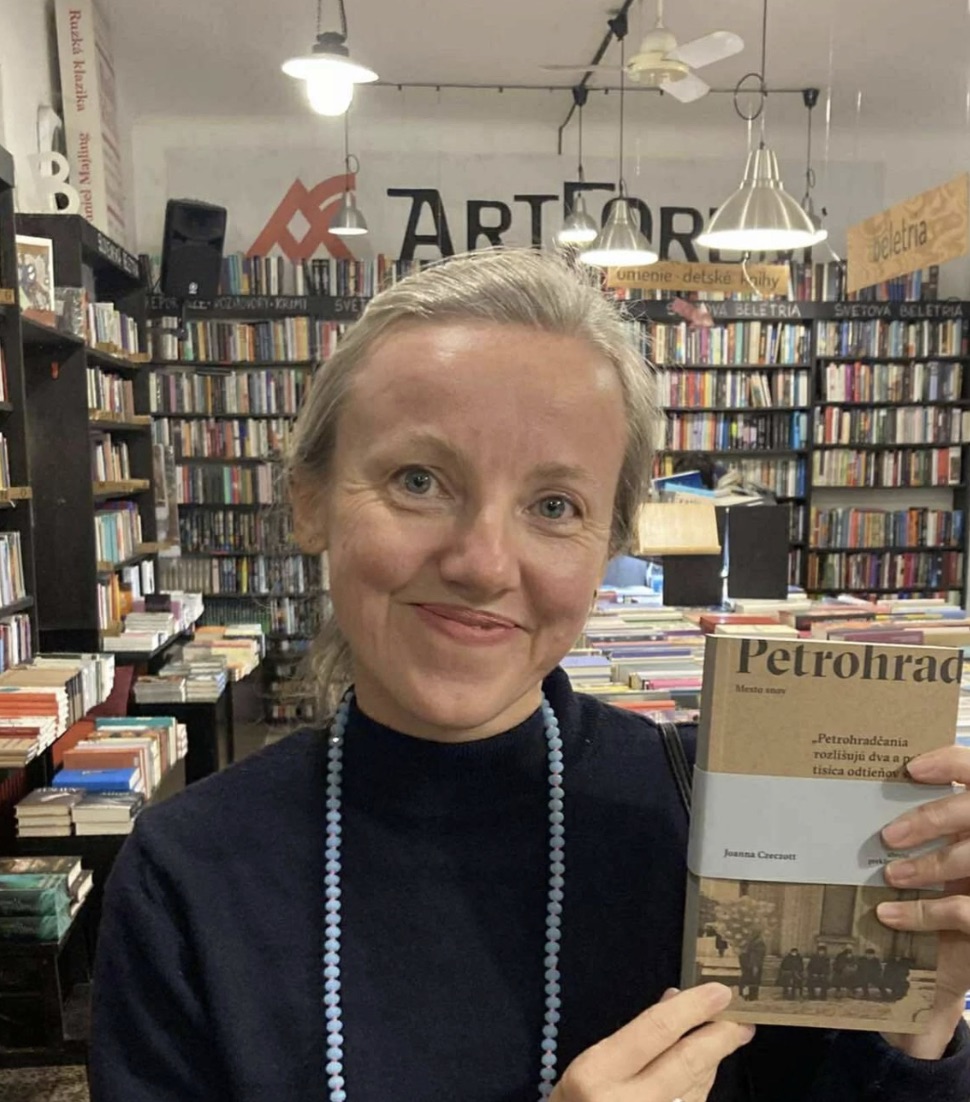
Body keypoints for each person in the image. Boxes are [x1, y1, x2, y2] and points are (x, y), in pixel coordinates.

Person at [88, 249, 970, 1101]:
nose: (482, 563)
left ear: (609, 544)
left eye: (554, 506)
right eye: (419, 480)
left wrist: (920, 1020)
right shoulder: (186, 877)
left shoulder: (722, 818)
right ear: (309, 500)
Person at [738, 934, 766, 1002]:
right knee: (751, 981)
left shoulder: (753, 944)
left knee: (749, 982)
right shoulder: (756, 944)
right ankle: (750, 995)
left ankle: (749, 995)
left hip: (751, 966)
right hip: (751, 966)